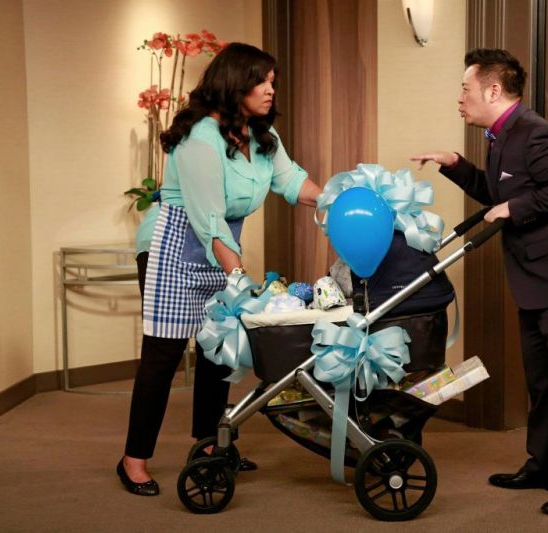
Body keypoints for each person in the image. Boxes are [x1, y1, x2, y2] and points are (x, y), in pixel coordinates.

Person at [411, 48, 548, 516]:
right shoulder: (501, 135)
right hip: (536, 280)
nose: (460, 98)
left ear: (493, 90)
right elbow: (497, 191)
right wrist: (455, 163)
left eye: (465, 88)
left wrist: (514, 208)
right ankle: (546, 466)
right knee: (543, 383)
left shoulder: (537, 133)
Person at [117, 43, 322, 496]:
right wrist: (241, 282)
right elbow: (208, 219)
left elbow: (292, 181)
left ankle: (209, 446)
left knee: (218, 350)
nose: (270, 90)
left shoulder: (262, 135)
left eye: (272, 82)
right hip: (174, 244)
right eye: (261, 81)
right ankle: (133, 459)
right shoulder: (200, 138)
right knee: (163, 356)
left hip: (219, 245)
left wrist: (336, 199)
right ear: (235, 84)